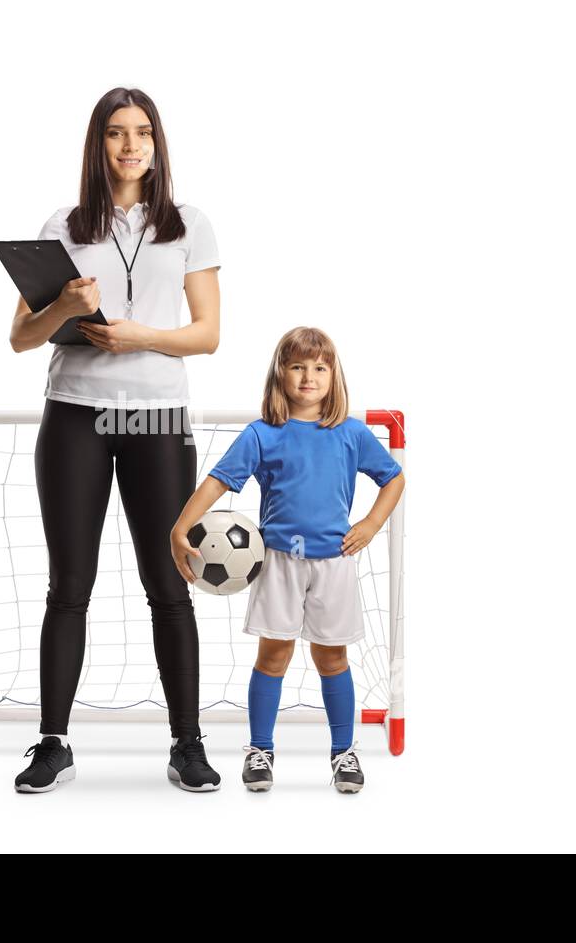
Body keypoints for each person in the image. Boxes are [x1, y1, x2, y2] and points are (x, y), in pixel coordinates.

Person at [8, 87, 223, 793]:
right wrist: (65, 305)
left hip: (155, 416)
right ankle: (52, 742)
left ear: (157, 144)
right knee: (69, 587)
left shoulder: (188, 225)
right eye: (115, 134)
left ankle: (187, 743)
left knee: (170, 584)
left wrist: (141, 337)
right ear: (97, 145)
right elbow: (20, 337)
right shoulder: (62, 224)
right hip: (75, 412)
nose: (130, 146)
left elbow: (208, 334)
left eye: (141, 133)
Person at [170, 327, 405, 792]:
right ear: (280, 374)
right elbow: (218, 481)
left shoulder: (351, 433)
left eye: (319, 367)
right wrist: (181, 525)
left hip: (334, 562)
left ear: (333, 375)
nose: (308, 376)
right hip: (277, 562)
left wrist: (371, 524)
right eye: (297, 366)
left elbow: (393, 478)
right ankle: (260, 750)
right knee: (273, 655)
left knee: (332, 658)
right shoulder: (263, 434)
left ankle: (344, 753)